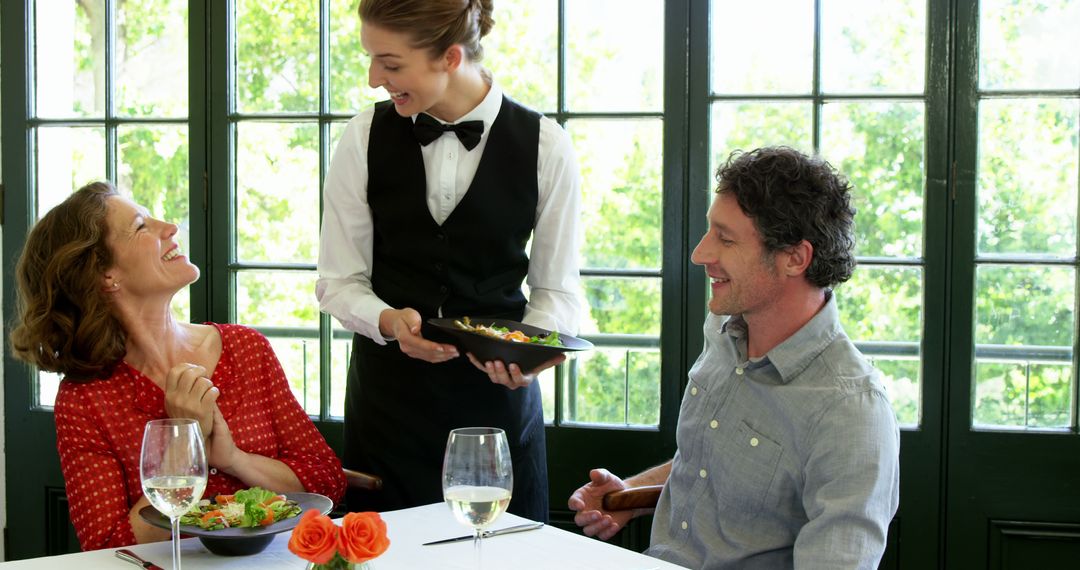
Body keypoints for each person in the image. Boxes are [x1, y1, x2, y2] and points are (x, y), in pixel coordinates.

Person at [568, 147, 900, 568]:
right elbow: (719, 461)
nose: (700, 254)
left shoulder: (851, 411)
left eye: (725, 239)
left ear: (795, 258)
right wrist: (629, 493)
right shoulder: (725, 330)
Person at [316, 0, 581, 522]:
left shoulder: (547, 146)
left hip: (496, 419)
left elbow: (557, 291)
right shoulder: (363, 136)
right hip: (388, 415)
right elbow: (338, 282)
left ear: (450, 57)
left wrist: (524, 353)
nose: (374, 79)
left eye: (390, 64)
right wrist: (388, 321)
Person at [9, 182, 347, 551]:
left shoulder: (247, 349)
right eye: (141, 226)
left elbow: (326, 480)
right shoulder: (86, 400)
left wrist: (233, 459)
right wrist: (181, 450)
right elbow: (106, 545)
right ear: (105, 275)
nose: (169, 228)